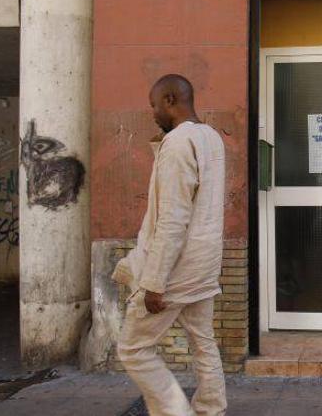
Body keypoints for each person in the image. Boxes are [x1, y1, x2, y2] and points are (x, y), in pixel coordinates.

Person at [112, 74, 227, 416]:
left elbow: (173, 218)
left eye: (154, 104)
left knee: (133, 349)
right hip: (204, 266)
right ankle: (211, 409)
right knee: (203, 342)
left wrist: (153, 282)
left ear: (171, 100)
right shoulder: (211, 138)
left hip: (176, 270)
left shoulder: (178, 144)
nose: (152, 113)